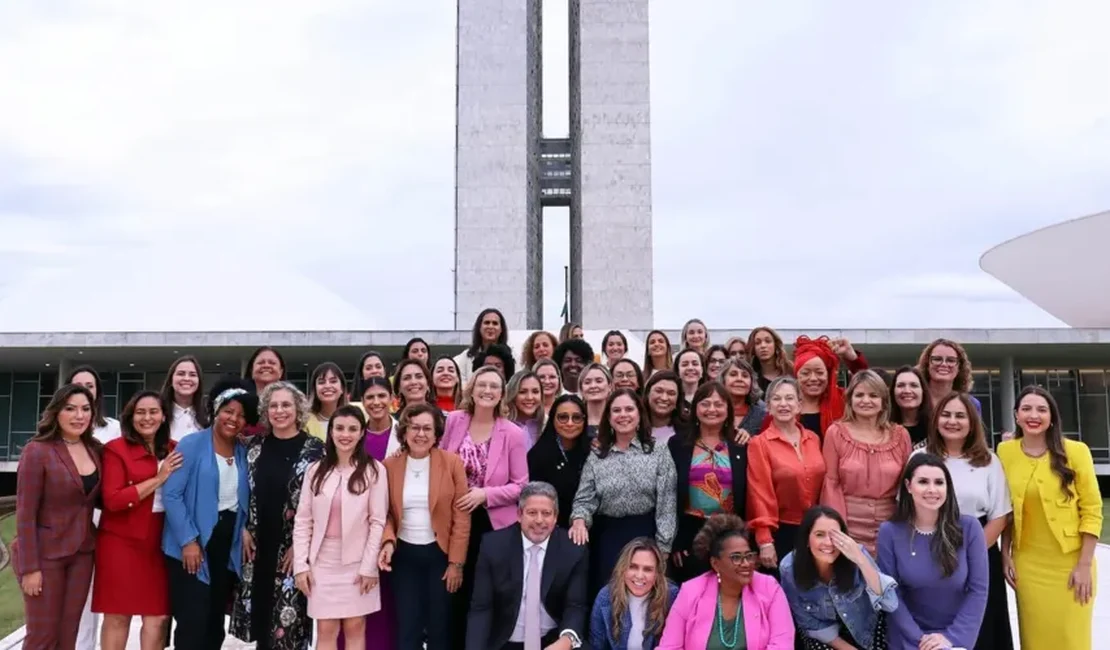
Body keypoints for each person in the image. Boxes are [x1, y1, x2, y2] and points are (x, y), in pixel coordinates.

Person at [998, 386, 1102, 650]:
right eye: (1027, 409)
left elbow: (1091, 509)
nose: (1034, 415)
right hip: (1028, 566)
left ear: (1052, 417)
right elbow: (1005, 510)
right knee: (1035, 640)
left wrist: (1084, 565)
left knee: (1071, 638)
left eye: (1042, 409)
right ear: (1016, 415)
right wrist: (1006, 553)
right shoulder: (1005, 452)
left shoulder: (1076, 451)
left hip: (1071, 563)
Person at [231, 381, 326, 650]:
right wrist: (243, 528)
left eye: (286, 405)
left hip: (292, 551)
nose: (279, 410)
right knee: (262, 627)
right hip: (258, 548)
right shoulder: (252, 447)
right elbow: (236, 492)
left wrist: (301, 546)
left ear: (298, 409)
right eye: (273, 405)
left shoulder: (316, 450)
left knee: (289, 631)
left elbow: (324, 505)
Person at [161, 379, 254, 649]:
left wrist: (244, 528)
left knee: (215, 621)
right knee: (193, 621)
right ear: (215, 410)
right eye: (228, 411)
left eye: (240, 415)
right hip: (191, 541)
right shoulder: (191, 445)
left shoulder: (242, 451)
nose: (233, 419)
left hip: (225, 543)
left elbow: (241, 498)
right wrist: (188, 540)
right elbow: (172, 495)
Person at [439, 366, 530, 641]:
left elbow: (522, 485)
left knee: (485, 597)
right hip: (454, 522)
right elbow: (438, 461)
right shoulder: (454, 421)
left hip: (492, 525)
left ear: (502, 394)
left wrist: (485, 495)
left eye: (494, 386)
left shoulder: (513, 433)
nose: (487, 391)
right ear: (471, 388)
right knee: (454, 594)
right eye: (482, 385)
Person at [14, 383, 104, 650]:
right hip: (45, 556)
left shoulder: (95, 450)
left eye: (86, 409)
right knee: (42, 636)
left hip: (83, 553)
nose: (79, 416)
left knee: (69, 634)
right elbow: (25, 512)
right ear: (57, 412)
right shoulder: (38, 451)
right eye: (71, 409)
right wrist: (30, 568)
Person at [921, 392, 1013, 650]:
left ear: (972, 422)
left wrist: (967, 556)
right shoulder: (920, 457)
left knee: (982, 630)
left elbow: (1000, 515)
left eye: (960, 416)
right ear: (936, 419)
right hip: (930, 554)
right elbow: (906, 508)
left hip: (980, 554)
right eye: (946, 414)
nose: (953, 421)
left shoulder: (989, 461)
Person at [292, 405, 388, 650]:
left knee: (355, 625)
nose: (346, 434)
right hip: (322, 560)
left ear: (361, 433)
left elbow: (377, 521)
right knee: (326, 628)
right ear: (331, 432)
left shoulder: (374, 470)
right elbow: (303, 521)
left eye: (353, 429)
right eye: (340, 428)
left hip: (358, 561)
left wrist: (369, 567)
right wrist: (300, 566)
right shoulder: (315, 471)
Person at [94, 391, 183, 650]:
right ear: (130, 418)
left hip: (161, 541)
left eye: (153, 412)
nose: (147, 418)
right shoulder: (116, 449)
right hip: (121, 540)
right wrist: (158, 478)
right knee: (118, 615)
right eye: (140, 412)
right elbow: (113, 500)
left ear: (164, 416)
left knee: (158, 617)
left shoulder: (175, 449)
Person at [379, 404, 472, 650]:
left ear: (436, 434)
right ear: (404, 431)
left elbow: (461, 517)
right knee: (408, 624)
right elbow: (385, 512)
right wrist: (388, 541)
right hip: (404, 555)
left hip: (439, 555)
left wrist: (456, 563)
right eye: (415, 427)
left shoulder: (452, 463)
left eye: (427, 429)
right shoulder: (389, 465)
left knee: (439, 625)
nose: (420, 434)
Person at [570, 389, 677, 599]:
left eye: (629, 409)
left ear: (639, 414)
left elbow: (667, 503)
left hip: (646, 534)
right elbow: (584, 498)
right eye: (616, 410)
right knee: (610, 599)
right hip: (609, 536)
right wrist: (579, 520)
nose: (623, 415)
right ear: (609, 418)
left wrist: (663, 547)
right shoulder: (598, 454)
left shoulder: (658, 451)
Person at [877, 453, 988, 650]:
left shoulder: (970, 528)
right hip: (908, 639)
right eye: (923, 482)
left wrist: (951, 638)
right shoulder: (889, 532)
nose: (932, 489)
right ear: (908, 486)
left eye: (939, 482)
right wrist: (921, 641)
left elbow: (978, 590)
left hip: (955, 639)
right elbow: (891, 595)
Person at [466, 481, 589, 650]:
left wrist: (566, 640)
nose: (539, 520)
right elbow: (481, 608)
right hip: (505, 640)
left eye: (546, 513)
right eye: (532, 513)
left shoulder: (573, 549)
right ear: (519, 514)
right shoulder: (493, 546)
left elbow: (575, 605)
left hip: (554, 640)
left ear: (555, 517)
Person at [657, 513, 795, 649]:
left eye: (749, 556)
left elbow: (783, 644)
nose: (746, 563)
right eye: (736, 557)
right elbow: (669, 646)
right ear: (715, 564)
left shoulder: (769, 588)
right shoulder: (691, 591)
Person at [780, 506, 897, 650]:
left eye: (834, 535)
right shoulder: (789, 567)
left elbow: (890, 603)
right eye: (819, 534)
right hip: (824, 635)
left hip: (865, 629)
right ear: (806, 539)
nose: (829, 542)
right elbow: (808, 622)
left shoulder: (857, 555)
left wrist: (860, 560)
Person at [821, 370, 911, 555]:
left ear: (883, 402)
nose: (866, 400)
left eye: (873, 395)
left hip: (891, 527)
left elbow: (907, 485)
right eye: (859, 395)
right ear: (850, 400)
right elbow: (831, 484)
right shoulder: (836, 433)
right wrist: (837, 530)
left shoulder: (901, 435)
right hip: (848, 527)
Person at [668, 382, 748, 583]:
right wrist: (676, 542)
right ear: (695, 409)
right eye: (705, 403)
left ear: (728, 410)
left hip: (730, 531)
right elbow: (669, 494)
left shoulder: (741, 445)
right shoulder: (678, 444)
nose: (712, 409)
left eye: (719, 404)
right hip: (690, 533)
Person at [746, 377, 826, 572]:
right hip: (780, 532)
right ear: (769, 406)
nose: (783, 404)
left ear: (799, 405)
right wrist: (765, 540)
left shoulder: (813, 439)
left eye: (789, 398)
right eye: (776, 399)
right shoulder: (760, 443)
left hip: (815, 529)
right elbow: (759, 493)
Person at [589, 538, 679, 650]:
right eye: (633, 567)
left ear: (657, 573)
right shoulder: (606, 597)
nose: (639, 575)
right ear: (623, 568)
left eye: (648, 569)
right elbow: (596, 645)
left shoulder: (672, 597)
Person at [527, 395, 592, 529]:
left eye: (576, 417)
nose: (569, 423)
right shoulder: (538, 455)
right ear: (553, 420)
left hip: (590, 526)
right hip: (550, 529)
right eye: (563, 417)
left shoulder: (593, 451)